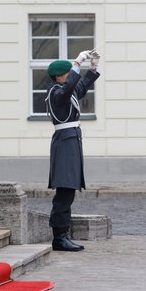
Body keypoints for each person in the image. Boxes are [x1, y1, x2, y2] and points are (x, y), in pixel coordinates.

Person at [45, 50, 101, 251]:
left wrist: (92, 68)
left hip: (71, 141)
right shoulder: (56, 92)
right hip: (64, 142)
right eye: (68, 73)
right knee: (64, 190)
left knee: (69, 190)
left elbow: (81, 86)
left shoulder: (66, 91)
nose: (71, 76)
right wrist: (77, 62)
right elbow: (70, 88)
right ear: (59, 77)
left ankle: (62, 235)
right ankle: (59, 237)